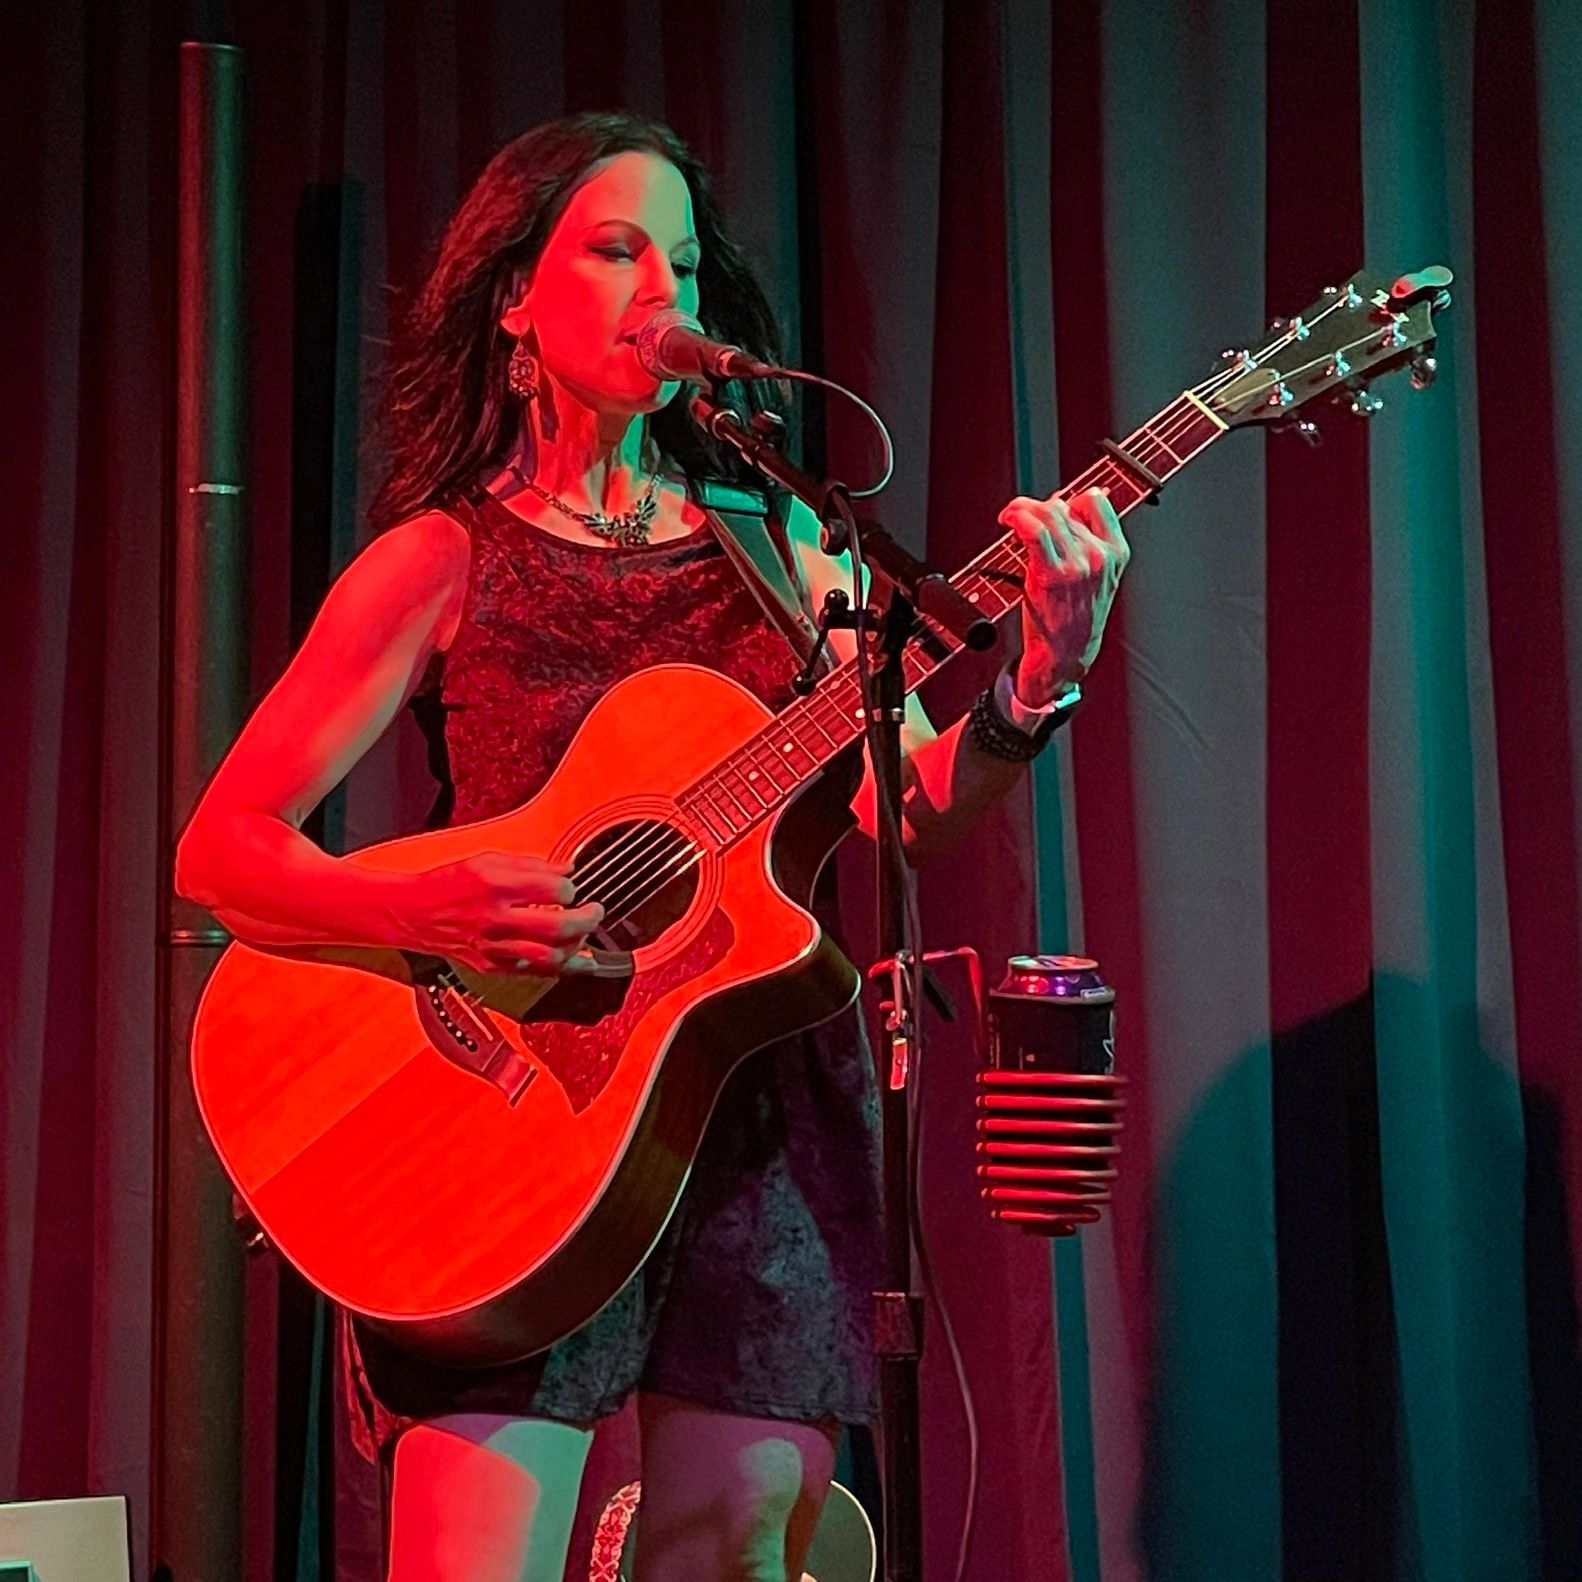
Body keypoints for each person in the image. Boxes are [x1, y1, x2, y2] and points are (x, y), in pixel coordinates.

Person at [174, 111, 1129, 1582]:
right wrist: (419, 897)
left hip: (748, 1105)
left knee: (738, 1555)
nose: (656, 290)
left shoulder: (779, 545)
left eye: (677, 259)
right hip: (496, 1122)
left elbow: (901, 806)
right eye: (614, 249)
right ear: (512, 294)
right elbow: (223, 852)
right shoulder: (441, 558)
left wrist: (1031, 683)